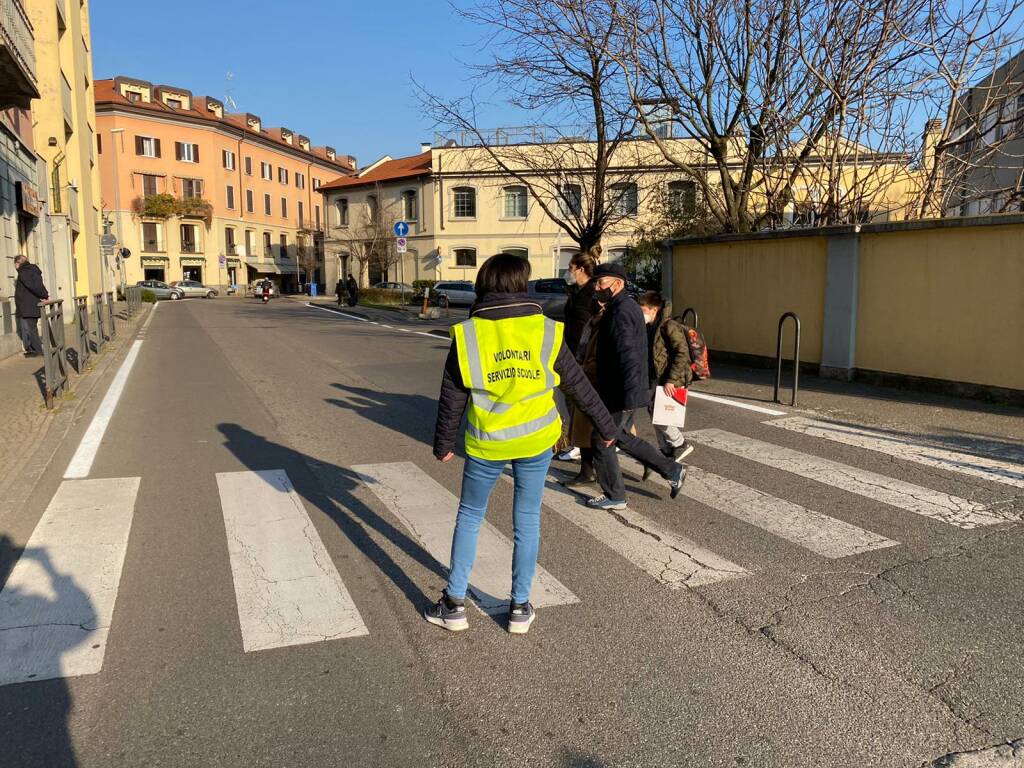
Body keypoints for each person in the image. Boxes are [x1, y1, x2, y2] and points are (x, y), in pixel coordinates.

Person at [429, 253, 617, 634]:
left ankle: (454, 604)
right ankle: (518, 608)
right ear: (521, 286)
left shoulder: (468, 334)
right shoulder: (545, 330)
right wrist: (606, 425)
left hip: (487, 443)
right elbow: (577, 383)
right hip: (535, 440)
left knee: (470, 516)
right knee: (527, 521)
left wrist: (443, 443)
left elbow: (453, 395)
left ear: (484, 286)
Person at [587, 263, 687, 510]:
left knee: (602, 439)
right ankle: (672, 470)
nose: (597, 287)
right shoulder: (620, 307)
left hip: (621, 392)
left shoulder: (621, 311)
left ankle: (615, 495)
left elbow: (629, 355)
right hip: (620, 390)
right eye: (595, 283)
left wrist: (630, 397)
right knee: (618, 436)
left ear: (617, 284)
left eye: (601, 283)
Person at [638, 291, 694, 482]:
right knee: (654, 413)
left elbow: (682, 352)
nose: (641, 313)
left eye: (643, 310)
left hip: (670, 378)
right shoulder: (651, 325)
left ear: (654, 309)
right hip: (656, 377)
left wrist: (671, 380)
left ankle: (679, 443)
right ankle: (666, 451)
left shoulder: (669, 325)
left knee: (658, 414)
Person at [557, 248, 601, 479]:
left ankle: (648, 457)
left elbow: (592, 327)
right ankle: (578, 444)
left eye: (571, 268)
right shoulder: (577, 292)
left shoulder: (593, 293)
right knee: (572, 402)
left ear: (581, 269)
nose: (568, 271)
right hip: (572, 354)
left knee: (583, 406)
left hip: (582, 357)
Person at [14, 254, 48, 357]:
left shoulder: (24, 272)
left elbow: (33, 286)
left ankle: (38, 351)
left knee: (30, 329)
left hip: (27, 306)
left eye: (15, 264)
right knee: (31, 328)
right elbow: (38, 285)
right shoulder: (33, 269)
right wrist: (44, 294)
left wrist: (44, 295)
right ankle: (34, 349)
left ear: (18, 263)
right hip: (32, 305)